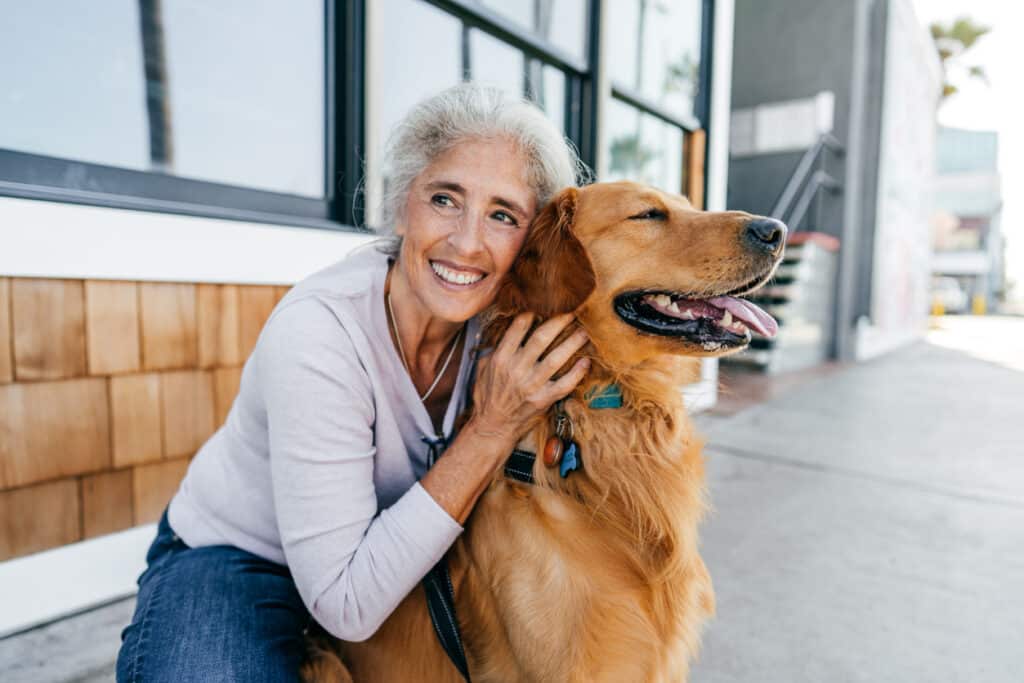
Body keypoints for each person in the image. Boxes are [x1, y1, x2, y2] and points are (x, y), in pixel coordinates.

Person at [116, 83, 591, 682]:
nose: (468, 242)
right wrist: (491, 429)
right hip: (241, 556)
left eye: (503, 214)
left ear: (529, 239)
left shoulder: (504, 325)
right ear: (401, 205)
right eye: (445, 199)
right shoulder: (319, 332)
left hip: (404, 562)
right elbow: (345, 604)